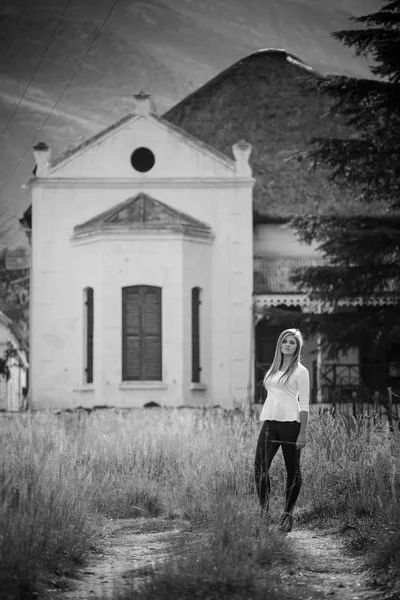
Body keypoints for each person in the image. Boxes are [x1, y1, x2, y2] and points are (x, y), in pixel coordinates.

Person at [254, 328, 310, 533]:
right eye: (285, 341)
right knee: (260, 468)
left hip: (290, 424)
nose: (288, 344)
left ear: (297, 347)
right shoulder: (274, 368)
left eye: (292, 342)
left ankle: (287, 515)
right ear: (280, 344)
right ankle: (264, 513)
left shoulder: (301, 372)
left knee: (292, 468)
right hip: (270, 422)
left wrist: (303, 432)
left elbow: (304, 404)